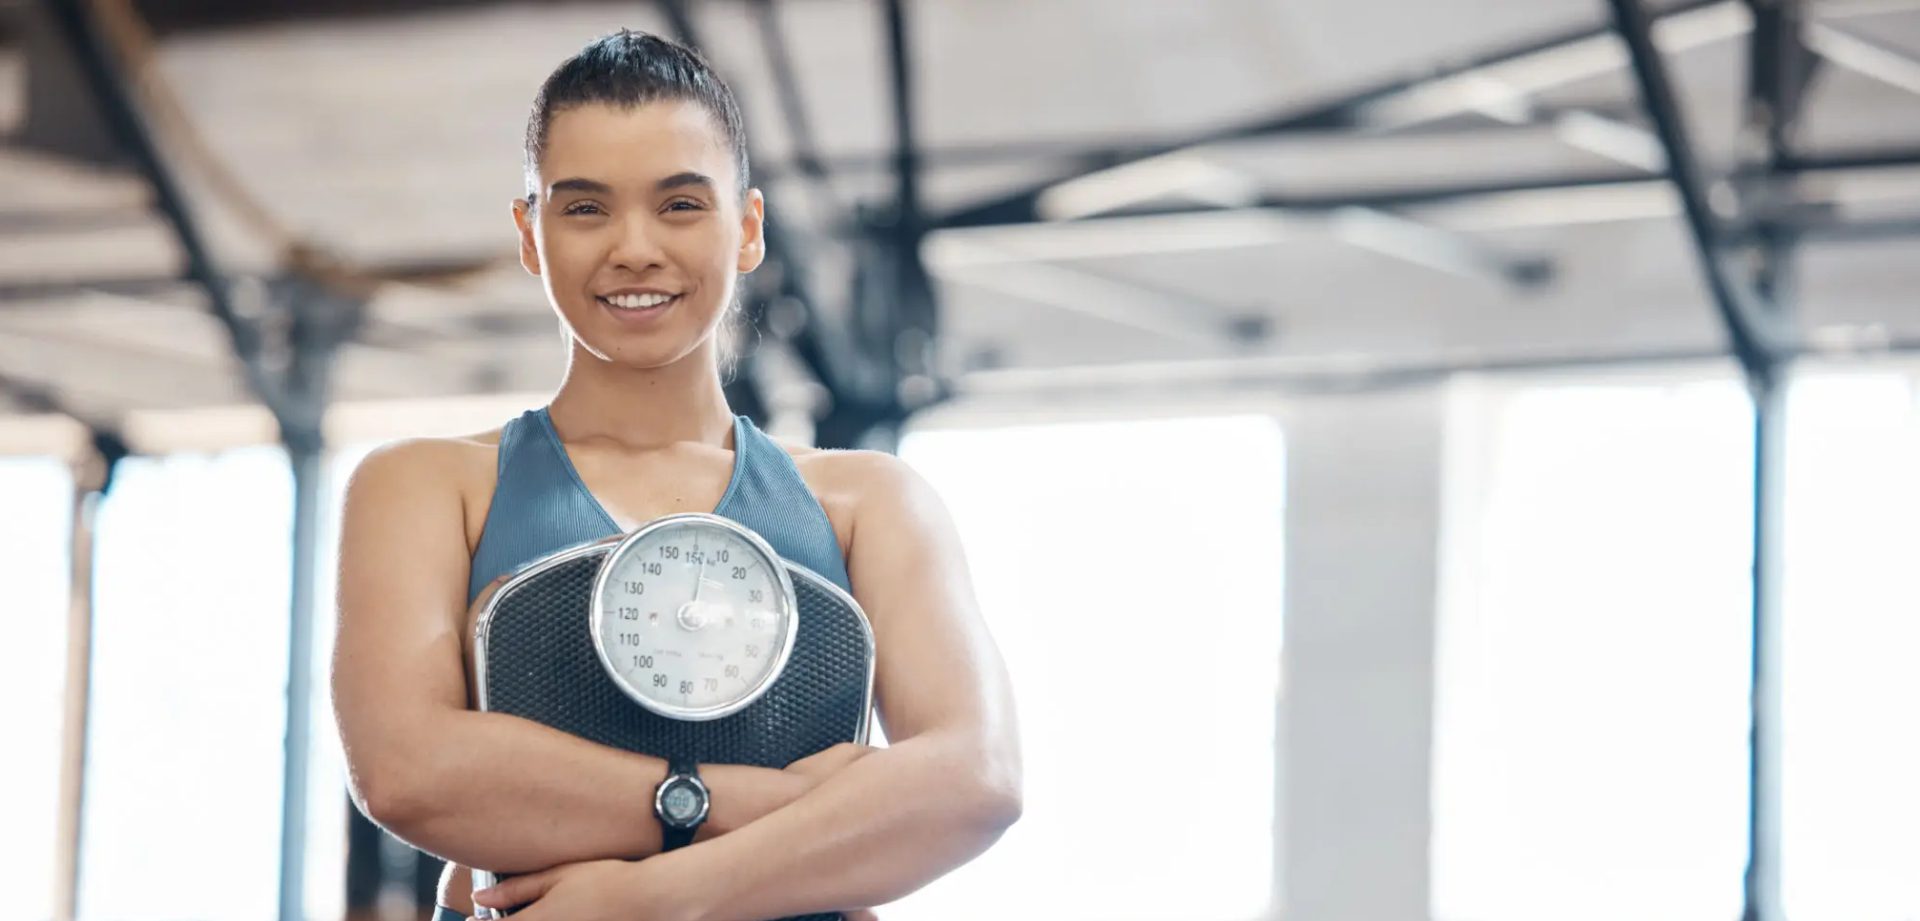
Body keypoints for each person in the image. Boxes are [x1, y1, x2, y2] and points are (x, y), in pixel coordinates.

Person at [331, 30, 1022, 921]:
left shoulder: (868, 502)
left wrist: (643, 897)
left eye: (681, 205)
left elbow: (978, 776)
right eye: (586, 208)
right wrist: (776, 803)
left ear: (748, 229)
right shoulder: (424, 487)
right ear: (530, 234)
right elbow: (406, 771)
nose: (634, 248)